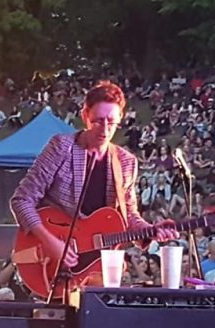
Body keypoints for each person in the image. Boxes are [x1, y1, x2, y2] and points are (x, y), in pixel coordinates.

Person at [10, 81, 176, 286]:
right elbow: (22, 200)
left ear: (120, 119)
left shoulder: (125, 162)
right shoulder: (62, 148)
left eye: (111, 122)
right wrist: (50, 242)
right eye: (98, 121)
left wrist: (150, 229)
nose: (105, 129)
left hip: (97, 264)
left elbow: (129, 215)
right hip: (50, 256)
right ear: (85, 115)